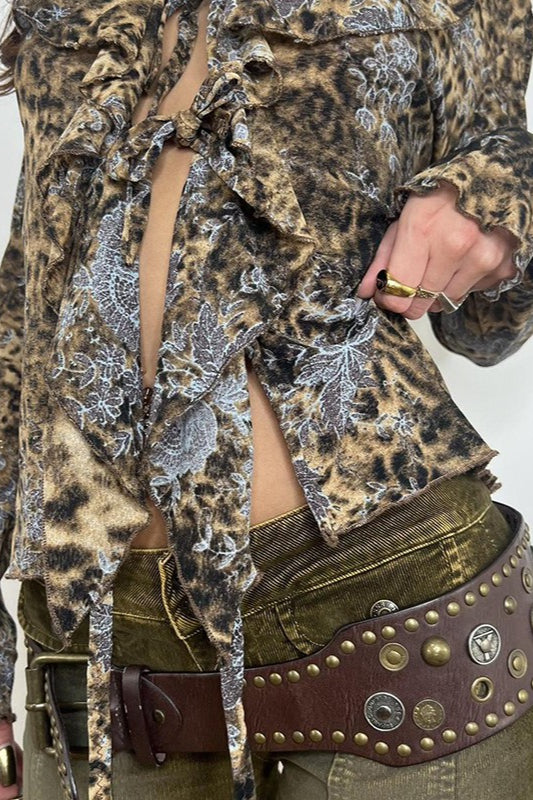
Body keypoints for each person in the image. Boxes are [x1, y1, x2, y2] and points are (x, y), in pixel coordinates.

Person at [1, 0, 533, 797]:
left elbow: (485, 329)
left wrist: (496, 199)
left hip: (375, 586)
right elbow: (27, 305)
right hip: (96, 623)